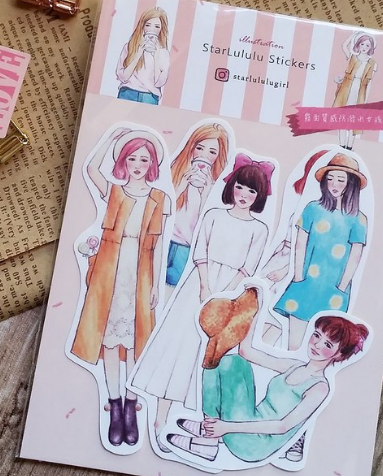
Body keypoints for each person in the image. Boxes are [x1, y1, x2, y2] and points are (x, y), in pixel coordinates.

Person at [130, 154, 273, 446]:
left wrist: (224, 295)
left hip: (230, 295)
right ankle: (159, 419)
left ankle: (199, 423)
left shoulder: (259, 229)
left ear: (259, 196)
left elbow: (248, 268)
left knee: (209, 355)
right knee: (179, 346)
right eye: (240, 187)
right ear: (231, 186)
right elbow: (201, 252)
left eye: (251, 190)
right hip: (198, 286)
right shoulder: (214, 215)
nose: (243, 195)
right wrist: (206, 286)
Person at [69, 127, 171, 447]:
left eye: (144, 159)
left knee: (138, 341)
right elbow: (90, 168)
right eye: (132, 158)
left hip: (140, 273)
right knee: (110, 341)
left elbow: (157, 245)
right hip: (109, 272)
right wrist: (112, 137)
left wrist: (155, 285)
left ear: (152, 164)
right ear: (123, 161)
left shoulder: (159, 198)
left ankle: (131, 407)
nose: (138, 165)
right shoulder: (115, 191)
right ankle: (114, 405)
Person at [167, 314, 369, 464]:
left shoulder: (319, 388)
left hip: (256, 444)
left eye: (327, 344)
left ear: (339, 354)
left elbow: (282, 426)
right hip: (247, 421)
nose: (316, 344)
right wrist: (254, 310)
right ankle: (209, 434)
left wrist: (226, 427)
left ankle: (211, 436)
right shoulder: (295, 366)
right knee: (227, 361)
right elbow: (247, 352)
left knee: (231, 364)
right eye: (316, 335)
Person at [267, 152, 368, 351]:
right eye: (330, 179)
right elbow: (300, 245)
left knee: (323, 342)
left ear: (351, 184)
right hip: (305, 282)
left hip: (334, 289)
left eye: (341, 180)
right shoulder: (312, 209)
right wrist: (298, 276)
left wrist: (342, 286)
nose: (334, 184)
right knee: (294, 342)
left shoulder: (359, 219)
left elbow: (355, 256)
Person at [166, 123, 230, 290]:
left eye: (212, 152)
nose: (203, 155)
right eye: (199, 148)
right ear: (191, 147)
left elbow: (209, 228)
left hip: (187, 249)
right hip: (163, 240)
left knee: (174, 288)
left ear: (219, 156)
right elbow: (159, 211)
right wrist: (179, 189)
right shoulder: (174, 173)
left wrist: (206, 195)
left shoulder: (218, 189)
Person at [332, 32, 378, 149]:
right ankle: (341, 145)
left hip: (359, 92)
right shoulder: (352, 57)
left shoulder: (372, 63)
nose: (364, 47)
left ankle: (349, 146)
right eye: (362, 44)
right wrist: (353, 34)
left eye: (367, 45)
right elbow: (344, 46)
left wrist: (365, 100)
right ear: (358, 44)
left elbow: (369, 83)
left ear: (371, 48)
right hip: (346, 90)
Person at [116, 8, 170, 105]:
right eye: (148, 25)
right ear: (142, 26)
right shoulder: (129, 47)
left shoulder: (163, 53)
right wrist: (138, 55)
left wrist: (156, 57)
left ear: (161, 29)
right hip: (128, 92)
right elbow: (123, 77)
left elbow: (159, 83)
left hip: (149, 96)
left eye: (157, 26)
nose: (152, 29)